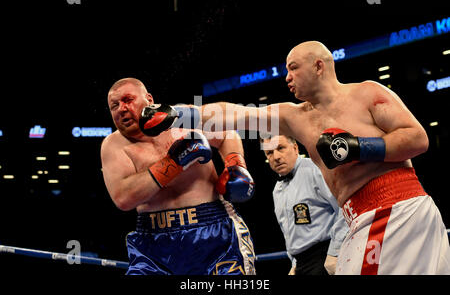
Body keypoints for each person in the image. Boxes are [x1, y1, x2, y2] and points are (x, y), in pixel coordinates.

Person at [140, 41, 450, 274]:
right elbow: (237, 114)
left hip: (397, 208)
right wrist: (182, 113)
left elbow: (416, 138)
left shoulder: (366, 94)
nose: (286, 76)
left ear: (319, 66)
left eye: (293, 67)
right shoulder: (294, 117)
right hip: (359, 217)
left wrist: (356, 146)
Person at [100, 77, 256, 275]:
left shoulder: (180, 118)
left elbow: (227, 134)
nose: (121, 108)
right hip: (153, 244)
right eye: (114, 106)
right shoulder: (113, 145)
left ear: (149, 99)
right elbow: (123, 198)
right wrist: (175, 162)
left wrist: (235, 164)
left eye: (128, 100)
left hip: (214, 234)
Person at [261, 134, 348, 275]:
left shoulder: (315, 169)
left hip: (326, 255)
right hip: (301, 264)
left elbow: (344, 208)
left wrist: (334, 252)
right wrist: (295, 264)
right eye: (269, 152)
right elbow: (289, 232)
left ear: (295, 148)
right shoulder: (277, 190)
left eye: (280, 148)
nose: (276, 157)